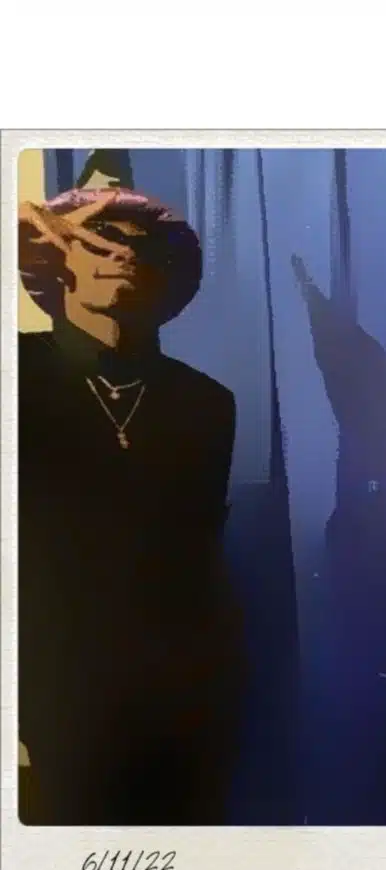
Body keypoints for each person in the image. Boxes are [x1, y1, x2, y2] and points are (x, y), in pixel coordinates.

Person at [18, 188, 245, 825]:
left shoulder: (206, 401)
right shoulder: (17, 375)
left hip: (183, 710)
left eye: (140, 248)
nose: (121, 254)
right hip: (54, 703)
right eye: (99, 240)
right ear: (56, 257)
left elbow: (200, 557)